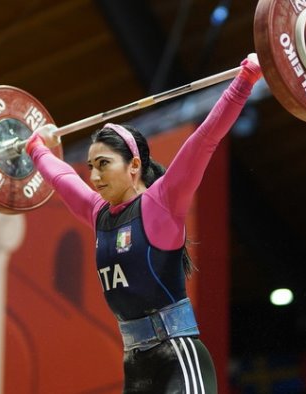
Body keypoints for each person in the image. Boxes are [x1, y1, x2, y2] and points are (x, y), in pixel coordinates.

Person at [25, 54, 262, 394]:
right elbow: (62, 178)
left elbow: (205, 140)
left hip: (178, 356)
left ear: (134, 164)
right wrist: (36, 149)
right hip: (137, 365)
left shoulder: (161, 203)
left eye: (103, 164)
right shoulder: (99, 214)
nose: (93, 177)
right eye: (91, 166)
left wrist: (243, 83)